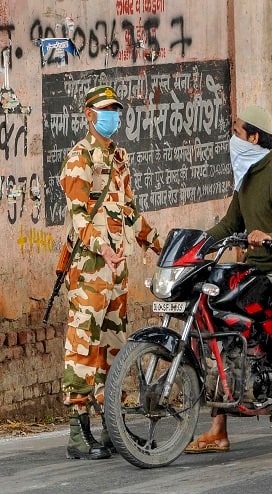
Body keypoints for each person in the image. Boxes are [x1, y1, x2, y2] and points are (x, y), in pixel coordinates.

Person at [184, 106, 272, 459]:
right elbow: (230, 223)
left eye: (237, 131)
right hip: (255, 272)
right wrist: (196, 245)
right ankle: (218, 429)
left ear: (254, 138)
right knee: (218, 330)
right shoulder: (245, 178)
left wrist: (271, 240)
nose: (232, 137)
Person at [60, 84, 162, 459]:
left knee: (114, 348)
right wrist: (103, 248)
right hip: (90, 270)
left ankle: (110, 426)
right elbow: (79, 217)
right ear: (89, 115)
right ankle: (77, 430)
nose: (113, 116)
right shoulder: (78, 159)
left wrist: (158, 245)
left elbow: (129, 211)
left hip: (117, 271)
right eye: (106, 110)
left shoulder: (119, 158)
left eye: (116, 110)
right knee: (83, 346)